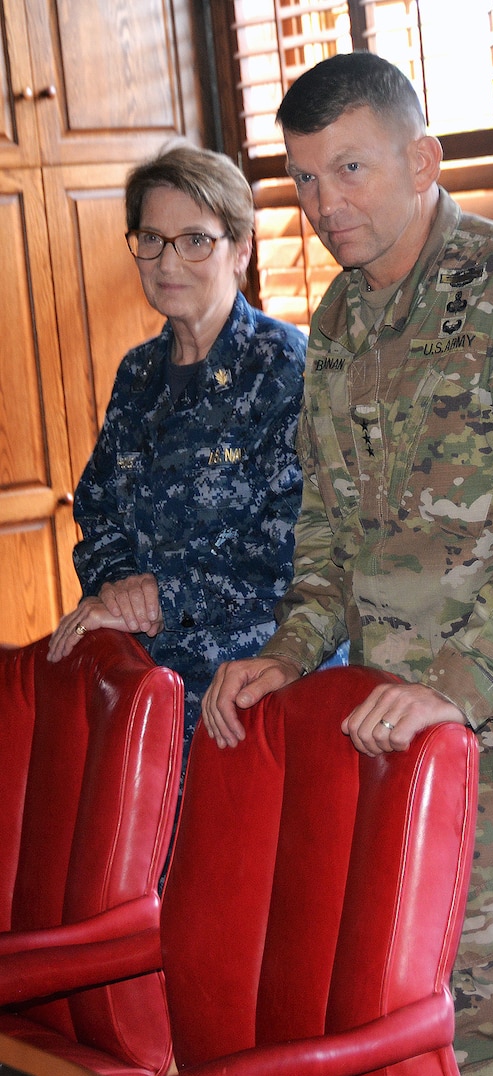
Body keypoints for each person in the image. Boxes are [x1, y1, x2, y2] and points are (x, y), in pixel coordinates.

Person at [200, 52, 493, 1076]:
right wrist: (293, 651)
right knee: (411, 1006)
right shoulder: (345, 316)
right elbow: (331, 533)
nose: (323, 203)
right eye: (304, 178)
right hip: (393, 720)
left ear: (425, 159)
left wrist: (452, 684)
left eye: (350, 170)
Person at [48, 144, 306, 765]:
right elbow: (98, 510)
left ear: (240, 249)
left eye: (195, 240)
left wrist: (162, 595)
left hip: (245, 701)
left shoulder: (285, 367)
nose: (169, 261)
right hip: (141, 695)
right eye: (152, 239)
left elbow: (293, 549)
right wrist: (118, 589)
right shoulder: (138, 373)